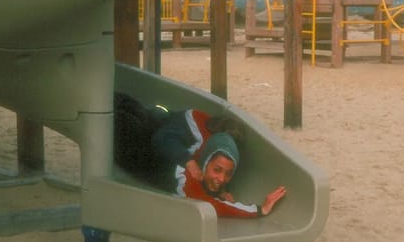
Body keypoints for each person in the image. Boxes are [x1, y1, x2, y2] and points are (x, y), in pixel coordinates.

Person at [113, 92, 245, 193]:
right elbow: (161, 139)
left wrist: (221, 192)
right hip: (149, 132)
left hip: (153, 142)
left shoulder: (220, 153)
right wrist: (188, 161)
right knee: (128, 117)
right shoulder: (195, 126)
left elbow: (214, 173)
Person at [176, 132, 286, 218]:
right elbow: (213, 206)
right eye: (217, 170)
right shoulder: (186, 177)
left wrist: (220, 193)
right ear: (204, 163)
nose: (222, 178)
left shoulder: (207, 177)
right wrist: (261, 209)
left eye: (228, 174)